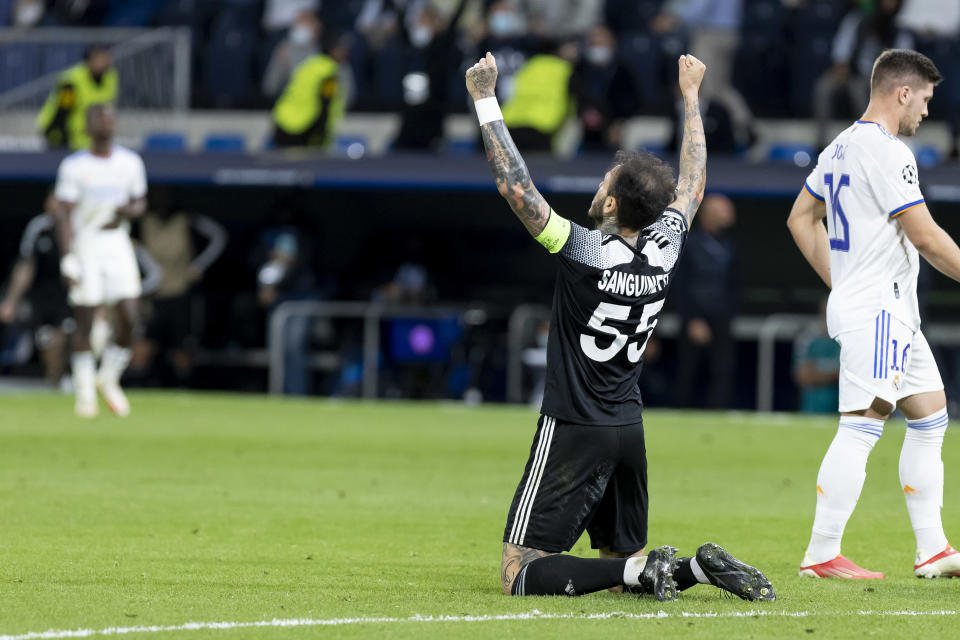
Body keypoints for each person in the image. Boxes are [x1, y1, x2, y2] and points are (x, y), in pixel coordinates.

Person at [466, 51, 774, 601]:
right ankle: (693, 571)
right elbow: (693, 185)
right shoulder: (665, 247)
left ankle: (645, 570)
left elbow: (518, 190)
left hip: (574, 425)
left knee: (520, 571)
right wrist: (692, 98)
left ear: (610, 203)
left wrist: (485, 98)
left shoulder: (583, 249)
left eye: (603, 179)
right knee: (623, 562)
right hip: (628, 428)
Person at [787, 49, 960, 579]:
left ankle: (932, 549)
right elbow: (926, 237)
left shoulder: (840, 146)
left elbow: (800, 219)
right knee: (863, 423)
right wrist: (857, 287)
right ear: (902, 92)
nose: (926, 113)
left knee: (930, 416)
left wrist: (843, 283)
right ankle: (821, 553)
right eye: (925, 99)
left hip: (884, 307)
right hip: (881, 308)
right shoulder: (888, 152)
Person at [52, 103, 147, 418]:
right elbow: (64, 214)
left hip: (116, 242)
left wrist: (127, 211)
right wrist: (68, 257)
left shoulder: (130, 162)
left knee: (130, 314)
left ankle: (107, 378)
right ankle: (84, 394)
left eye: (110, 117)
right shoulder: (74, 165)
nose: (105, 122)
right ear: (88, 123)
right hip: (86, 244)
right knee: (86, 318)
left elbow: (139, 202)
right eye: (99, 117)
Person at [135, 188, 227, 387]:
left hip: (180, 291)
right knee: (146, 342)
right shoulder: (143, 222)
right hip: (153, 294)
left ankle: (183, 384)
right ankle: (140, 382)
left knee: (181, 345)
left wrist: (200, 265)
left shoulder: (186, 219)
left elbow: (218, 236)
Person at [812, 0, 912, 149]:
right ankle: (821, 143)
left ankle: (867, 143)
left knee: (859, 91)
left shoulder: (899, 28)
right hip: (851, 73)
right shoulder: (857, 20)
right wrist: (841, 67)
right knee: (823, 88)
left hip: (882, 80)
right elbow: (842, 48)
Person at [673, 194, 738, 409]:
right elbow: (679, 284)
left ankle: (719, 413)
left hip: (721, 319)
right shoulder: (690, 244)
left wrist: (729, 315)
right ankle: (682, 412)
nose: (730, 215)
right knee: (688, 371)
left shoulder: (730, 246)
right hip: (695, 317)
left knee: (723, 370)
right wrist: (691, 319)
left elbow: (734, 285)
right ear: (708, 216)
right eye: (724, 211)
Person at [0, 205, 72, 386]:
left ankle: (72, 377)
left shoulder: (82, 227)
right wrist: (11, 300)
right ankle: (54, 380)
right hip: (42, 295)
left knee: (69, 337)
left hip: (72, 296)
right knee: (48, 341)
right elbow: (26, 265)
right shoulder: (39, 226)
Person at [272, 32, 349, 148]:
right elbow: (325, 102)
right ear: (333, 50)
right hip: (302, 127)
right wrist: (322, 132)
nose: (345, 53)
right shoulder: (329, 72)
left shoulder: (311, 64)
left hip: (283, 120)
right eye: (341, 49)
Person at [36, 44, 117, 150]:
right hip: (64, 137)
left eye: (106, 58)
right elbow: (62, 112)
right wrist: (59, 140)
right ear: (89, 60)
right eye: (100, 58)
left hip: (88, 140)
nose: (105, 62)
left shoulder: (110, 78)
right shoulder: (71, 82)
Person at [793, 298, 841, 414]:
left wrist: (818, 374)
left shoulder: (850, 339)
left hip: (843, 408)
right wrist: (835, 375)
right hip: (813, 408)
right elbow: (803, 376)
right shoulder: (808, 339)